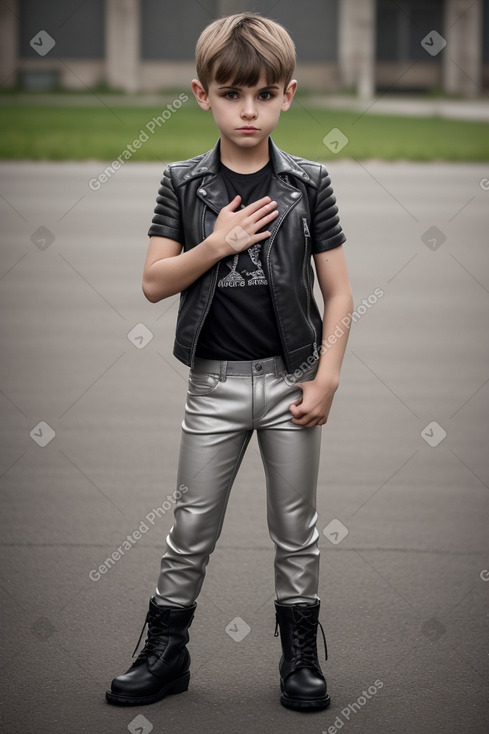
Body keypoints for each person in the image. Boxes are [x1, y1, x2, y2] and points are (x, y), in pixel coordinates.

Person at [106, 11, 353, 712]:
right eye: (232, 93)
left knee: (295, 528)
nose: (249, 110)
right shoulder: (183, 183)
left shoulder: (308, 183)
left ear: (288, 95)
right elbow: (155, 282)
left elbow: (338, 292)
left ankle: (299, 658)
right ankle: (166, 651)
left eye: (265, 94)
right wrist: (216, 244)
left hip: (290, 383)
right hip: (212, 386)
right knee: (189, 528)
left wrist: (326, 376)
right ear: (201, 93)